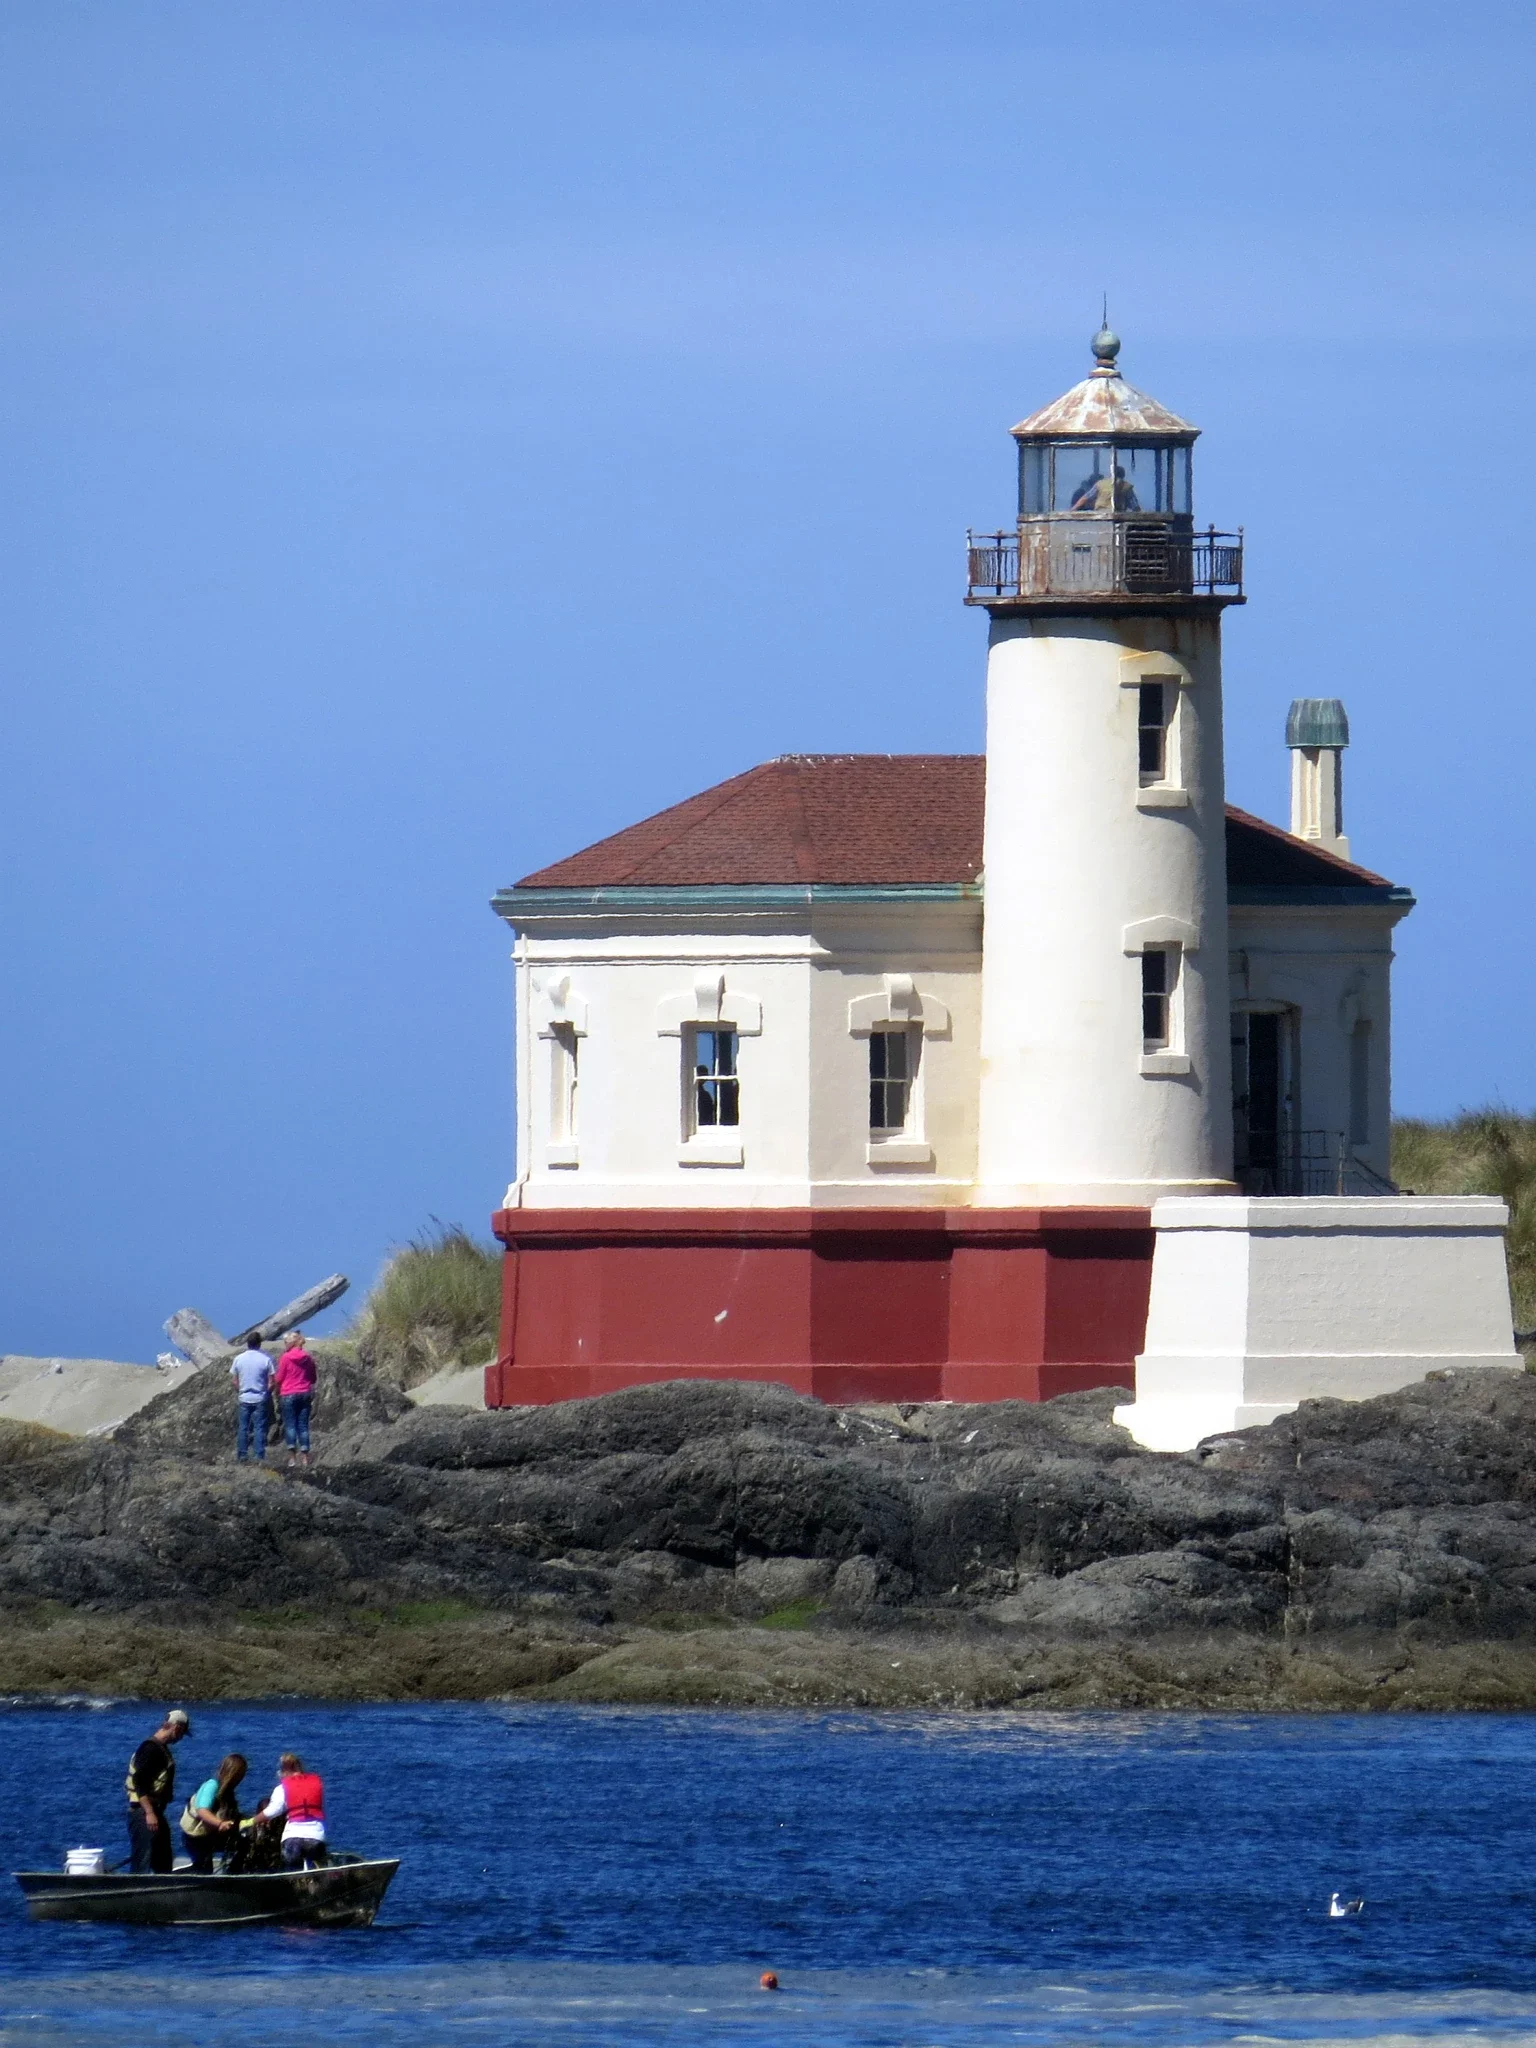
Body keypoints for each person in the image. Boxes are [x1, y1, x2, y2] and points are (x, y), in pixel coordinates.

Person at [124, 1708, 192, 1874]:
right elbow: (139, 1781)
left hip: (155, 1812)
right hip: (144, 1813)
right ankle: (136, 1894)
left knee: (163, 1860)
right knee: (143, 1861)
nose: (181, 1737)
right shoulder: (150, 1749)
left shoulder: (161, 1749)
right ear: (176, 1728)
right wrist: (149, 1813)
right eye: (182, 1733)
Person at [253, 1751, 328, 1867]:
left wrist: (250, 1821)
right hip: (316, 1837)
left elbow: (272, 1811)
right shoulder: (316, 1782)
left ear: (284, 1770)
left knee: (292, 1869)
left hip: (293, 1838)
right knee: (316, 1865)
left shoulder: (282, 1788)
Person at [179, 1752, 247, 1873]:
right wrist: (220, 1824)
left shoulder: (227, 1792)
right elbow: (202, 1810)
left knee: (243, 1843)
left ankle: (233, 1872)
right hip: (195, 1836)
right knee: (202, 1869)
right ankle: (173, 1877)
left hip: (209, 1835)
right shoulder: (212, 1786)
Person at [274, 1331, 317, 1469]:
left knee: (290, 1425)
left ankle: (292, 1458)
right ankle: (304, 1457)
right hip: (304, 1393)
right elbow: (313, 1377)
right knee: (303, 1426)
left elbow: (279, 1378)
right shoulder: (308, 1357)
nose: (284, 1345)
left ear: (291, 1343)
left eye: (286, 1342)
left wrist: (276, 1387)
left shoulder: (285, 1358)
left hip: (288, 1393)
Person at [231, 1338, 274, 1461]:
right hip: (259, 1397)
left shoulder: (239, 1359)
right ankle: (259, 1455)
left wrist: (240, 1391)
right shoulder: (265, 1359)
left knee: (243, 1427)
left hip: (244, 1397)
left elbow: (234, 1381)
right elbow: (271, 1382)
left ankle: (242, 1454)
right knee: (259, 1428)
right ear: (259, 1344)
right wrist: (266, 1393)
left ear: (247, 1343)